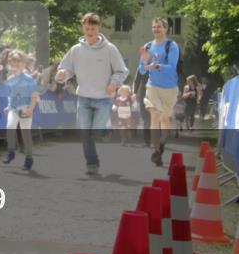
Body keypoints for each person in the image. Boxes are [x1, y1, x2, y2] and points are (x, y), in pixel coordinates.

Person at [56, 13, 129, 175]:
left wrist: (114, 83)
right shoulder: (75, 50)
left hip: (103, 98)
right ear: (83, 27)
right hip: (83, 97)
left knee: (96, 133)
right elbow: (66, 69)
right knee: (85, 132)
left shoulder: (110, 49)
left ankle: (106, 128)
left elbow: (122, 70)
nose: (89, 31)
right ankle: (92, 162)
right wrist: (62, 74)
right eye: (87, 28)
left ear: (99, 28)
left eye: (93, 28)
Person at [138, 17, 181, 166]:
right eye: (154, 27)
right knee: (154, 115)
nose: (156, 29)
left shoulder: (171, 45)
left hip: (169, 88)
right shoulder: (148, 46)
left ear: (166, 29)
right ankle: (156, 151)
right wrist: (145, 63)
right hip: (153, 86)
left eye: (159, 27)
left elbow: (172, 66)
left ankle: (162, 144)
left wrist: (156, 66)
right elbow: (142, 69)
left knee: (165, 120)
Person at [2, 50, 40, 171]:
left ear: (23, 65)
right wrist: (9, 106)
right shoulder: (10, 79)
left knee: (25, 134)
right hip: (14, 109)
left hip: (26, 108)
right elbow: (11, 94)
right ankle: (11, 151)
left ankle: (29, 158)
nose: (14, 68)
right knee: (10, 125)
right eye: (12, 65)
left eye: (17, 66)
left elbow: (35, 96)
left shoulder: (29, 79)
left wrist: (31, 109)